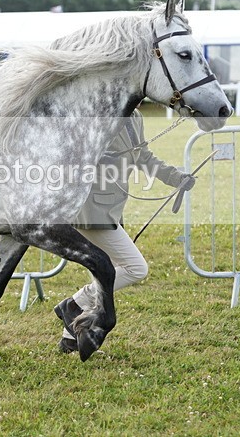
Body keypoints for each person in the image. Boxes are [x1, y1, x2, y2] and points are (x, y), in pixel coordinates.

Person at [53, 108, 196, 354]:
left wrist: (175, 177)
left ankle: (70, 338)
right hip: (92, 210)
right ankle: (74, 305)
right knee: (135, 268)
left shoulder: (135, 116)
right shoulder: (94, 114)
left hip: (111, 208)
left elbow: (144, 158)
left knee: (104, 270)